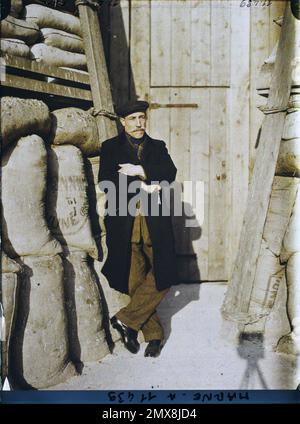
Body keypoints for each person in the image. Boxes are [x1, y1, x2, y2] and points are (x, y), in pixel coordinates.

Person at [98, 100, 177, 357]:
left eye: (142, 118)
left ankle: (126, 320)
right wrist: (139, 183)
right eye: (132, 118)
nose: (139, 123)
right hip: (125, 223)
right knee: (135, 281)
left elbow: (169, 172)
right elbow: (105, 180)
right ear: (122, 122)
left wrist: (141, 169)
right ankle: (153, 335)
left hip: (155, 223)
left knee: (164, 274)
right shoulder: (110, 148)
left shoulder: (157, 147)